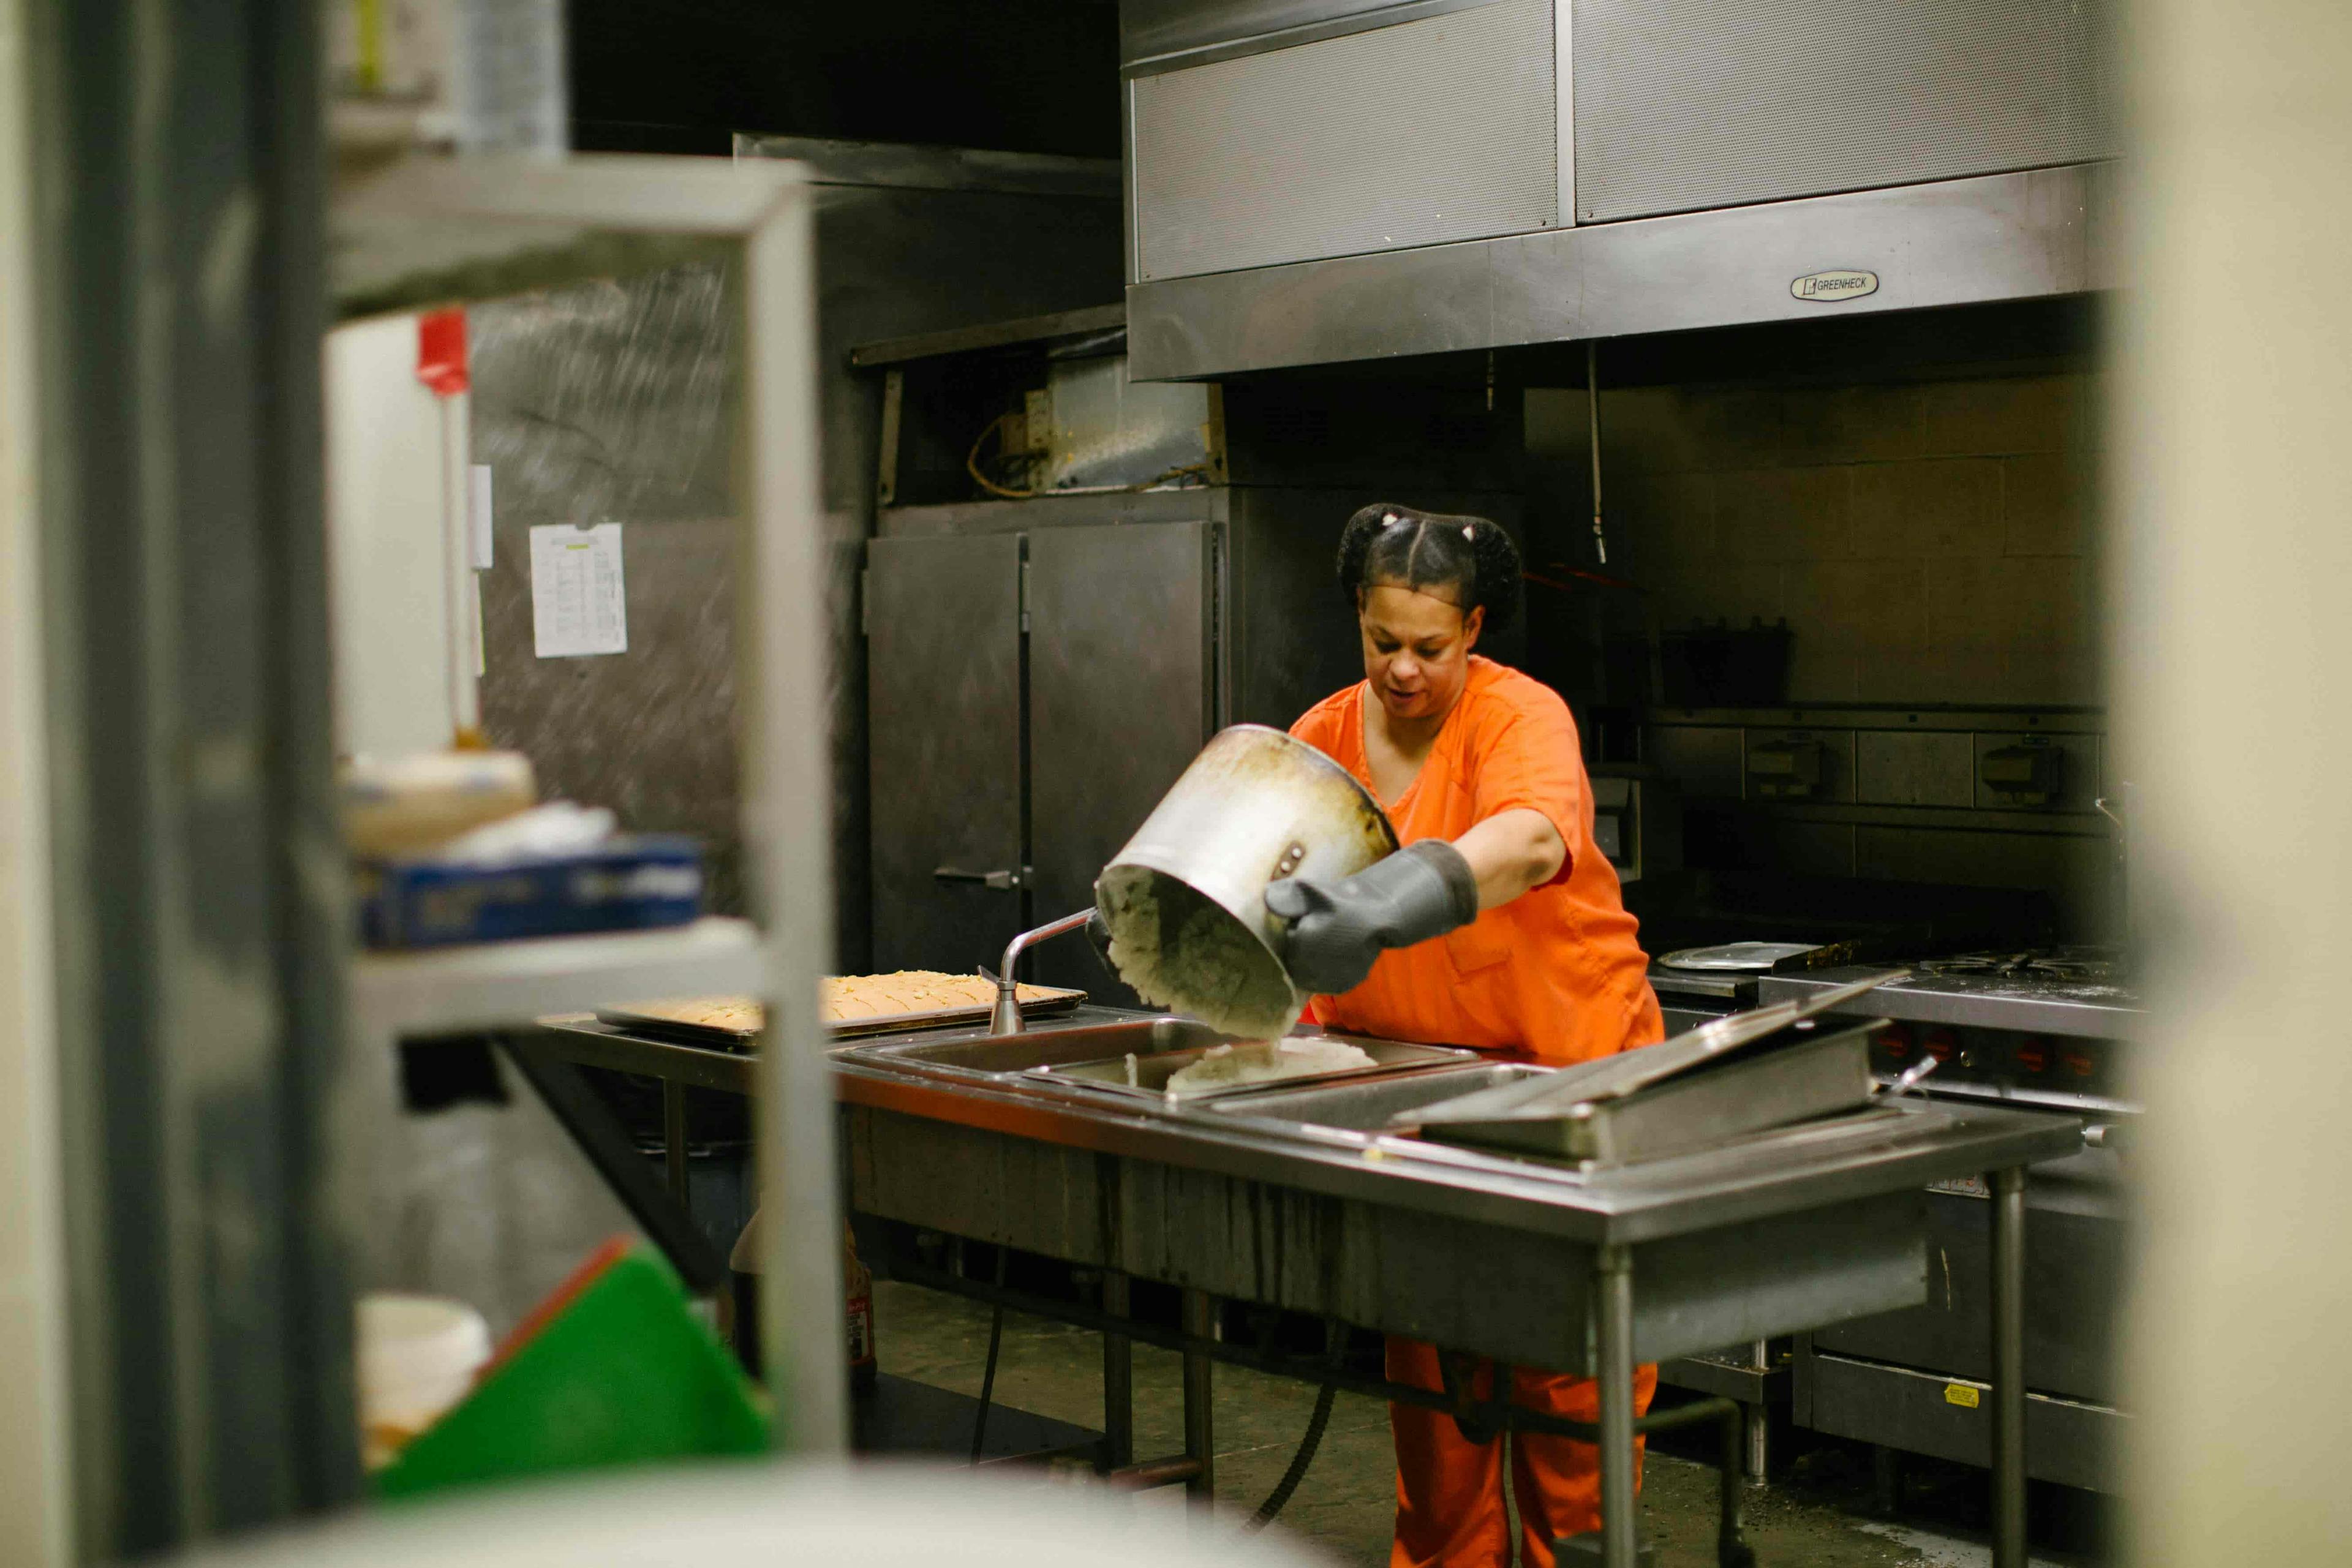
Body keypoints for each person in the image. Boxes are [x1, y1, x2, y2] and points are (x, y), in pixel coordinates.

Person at [1266, 502, 1662, 1568]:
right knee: (1436, 1408)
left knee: (1566, 1392)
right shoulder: (1321, 738)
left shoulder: (1518, 719)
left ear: (1475, 630)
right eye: (1382, 642)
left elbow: (1530, 840)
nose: (1403, 670)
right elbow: (1264, 879)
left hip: (1562, 1093)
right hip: (1412, 1107)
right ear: (1358, 616)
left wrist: (1391, 901)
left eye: (1429, 648)